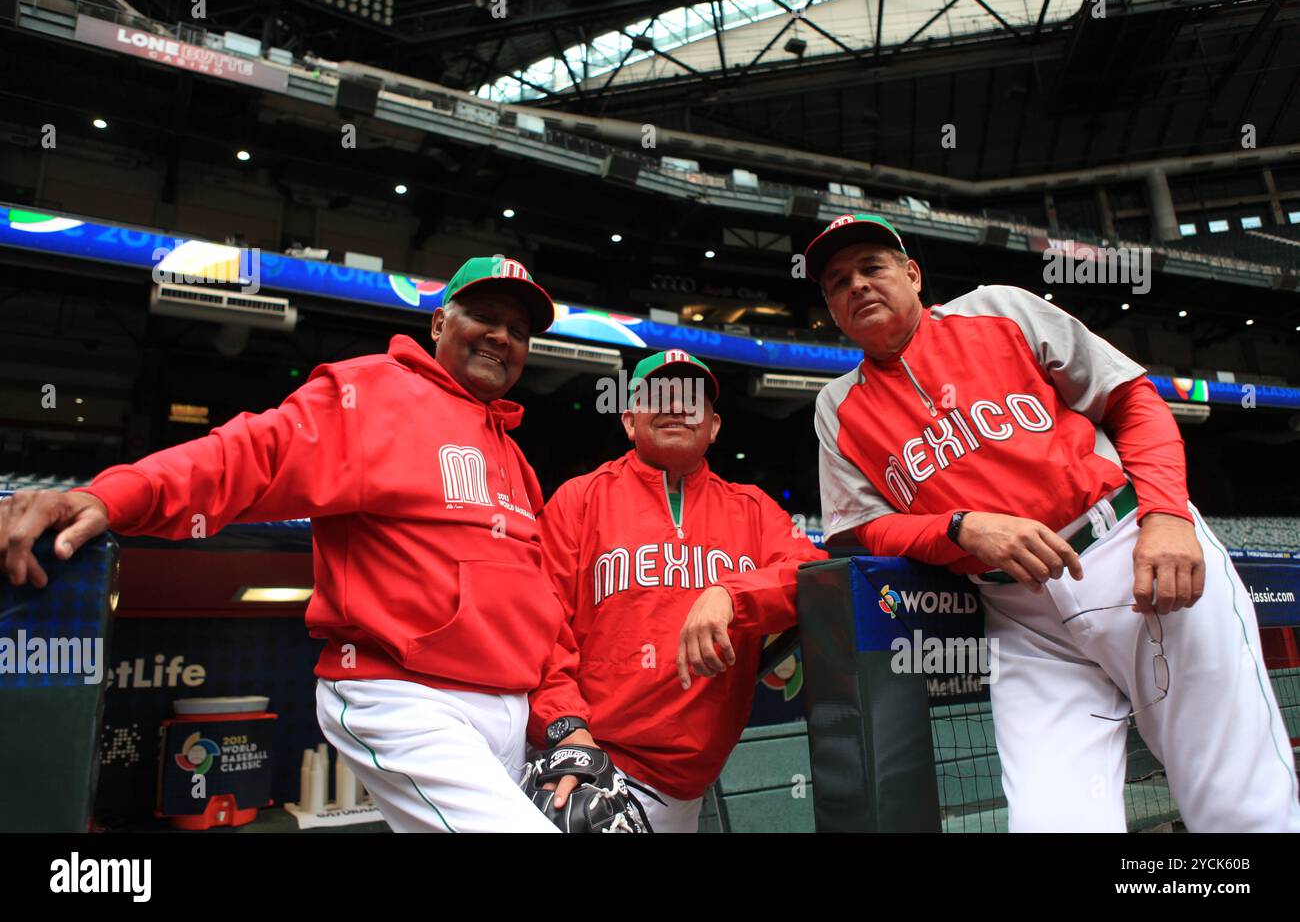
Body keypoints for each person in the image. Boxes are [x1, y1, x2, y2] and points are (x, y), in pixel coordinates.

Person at [0, 256, 567, 833]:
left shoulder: (515, 459)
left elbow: (542, 610)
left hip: (509, 708)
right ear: (440, 323)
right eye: (485, 316)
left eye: (518, 331)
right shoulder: (371, 393)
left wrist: (566, 724)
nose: (502, 336)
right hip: (408, 696)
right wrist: (111, 496)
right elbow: (245, 458)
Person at [803, 212, 1300, 832]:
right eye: (836, 282)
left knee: (1233, 797)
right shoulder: (837, 406)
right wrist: (959, 527)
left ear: (912, 273)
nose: (856, 286)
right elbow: (861, 530)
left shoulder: (999, 308)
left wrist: (1167, 515)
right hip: (1021, 615)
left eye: (871, 267)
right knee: (1052, 820)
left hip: (1126, 549)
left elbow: (1133, 399)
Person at [527, 349, 826, 832]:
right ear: (629, 420)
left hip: (686, 781)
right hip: (595, 762)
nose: (676, 405)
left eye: (693, 398)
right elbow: (540, 629)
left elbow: (813, 576)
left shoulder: (753, 509)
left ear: (713, 427)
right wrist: (567, 728)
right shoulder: (579, 499)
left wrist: (731, 594)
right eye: (658, 394)